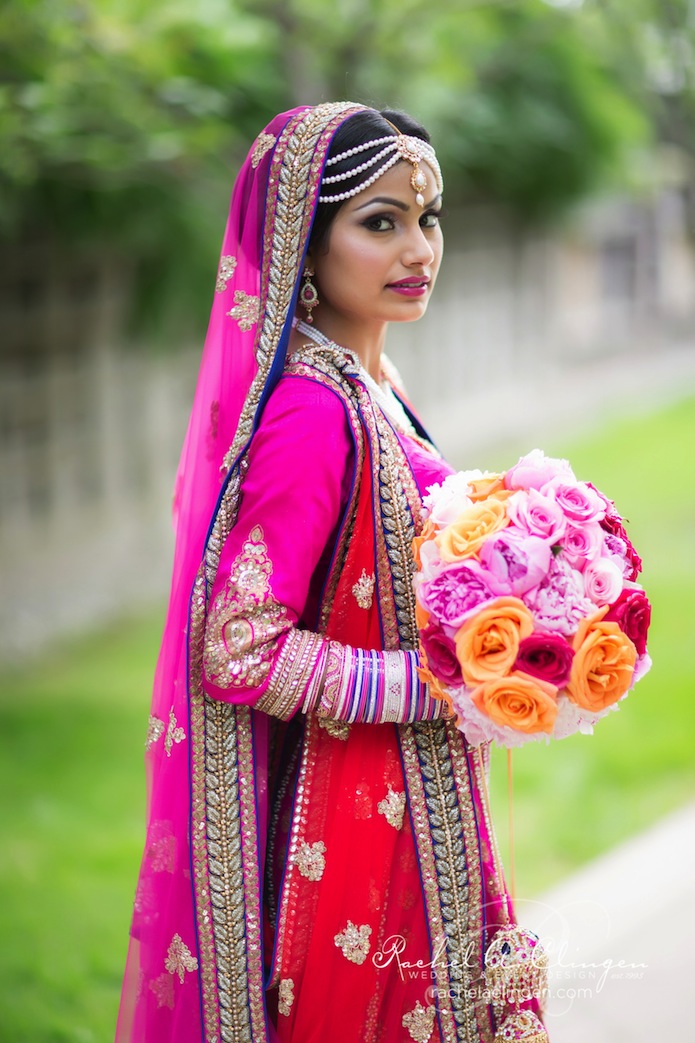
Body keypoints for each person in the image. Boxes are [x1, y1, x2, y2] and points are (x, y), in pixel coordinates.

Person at [116, 102, 547, 1043]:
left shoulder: (375, 384)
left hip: (419, 793)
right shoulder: (312, 410)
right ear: (303, 247)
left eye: (426, 219)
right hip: (353, 830)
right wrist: (439, 676)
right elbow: (237, 649)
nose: (416, 248)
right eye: (379, 220)